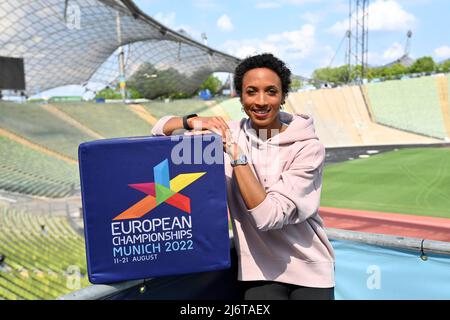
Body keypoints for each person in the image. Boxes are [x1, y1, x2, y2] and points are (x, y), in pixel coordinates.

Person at [151, 53, 335, 300]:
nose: (261, 101)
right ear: (240, 96)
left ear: (282, 97)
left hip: (309, 269)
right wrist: (194, 120)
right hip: (257, 271)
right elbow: (157, 134)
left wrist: (237, 156)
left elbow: (269, 216)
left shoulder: (307, 147)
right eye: (251, 91)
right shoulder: (227, 133)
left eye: (271, 91)